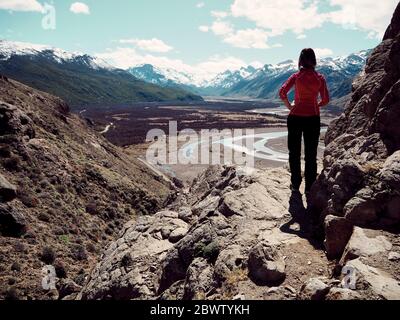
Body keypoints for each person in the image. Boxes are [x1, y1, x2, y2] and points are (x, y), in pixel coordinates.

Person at [279, 48, 330, 195]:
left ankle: (295, 184)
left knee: (294, 152)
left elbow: (282, 92)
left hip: (295, 117)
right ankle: (309, 187)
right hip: (313, 118)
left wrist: (290, 106)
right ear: (314, 60)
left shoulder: (296, 76)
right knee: (311, 153)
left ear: (300, 61)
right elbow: (326, 100)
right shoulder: (320, 78)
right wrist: (315, 105)